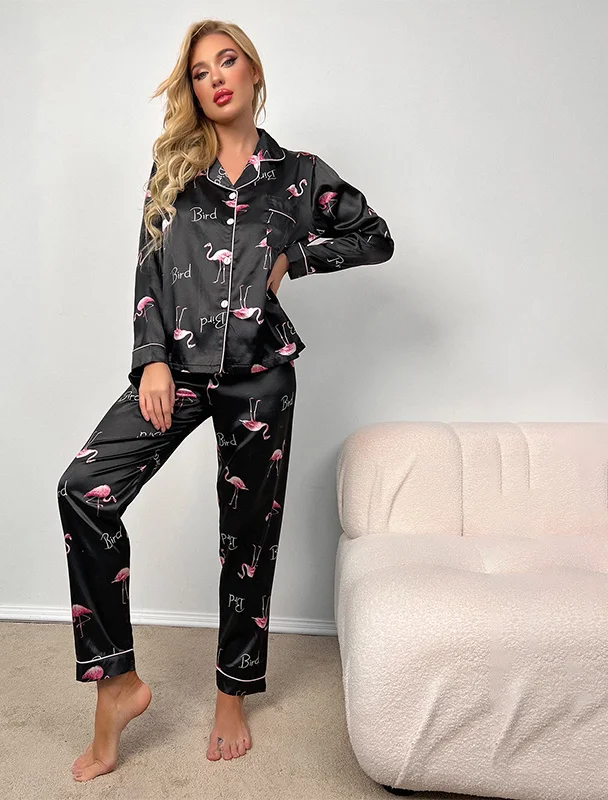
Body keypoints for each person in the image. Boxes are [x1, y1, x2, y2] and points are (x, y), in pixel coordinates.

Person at [58, 18, 395, 782]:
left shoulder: (298, 175)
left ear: (252, 72)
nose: (215, 78)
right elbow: (150, 264)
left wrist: (293, 257)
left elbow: (374, 236)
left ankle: (231, 694)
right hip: (176, 369)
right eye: (200, 69)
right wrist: (150, 360)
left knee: (248, 538)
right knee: (83, 491)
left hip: (260, 373)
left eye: (228, 61)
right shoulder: (174, 165)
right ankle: (116, 682)